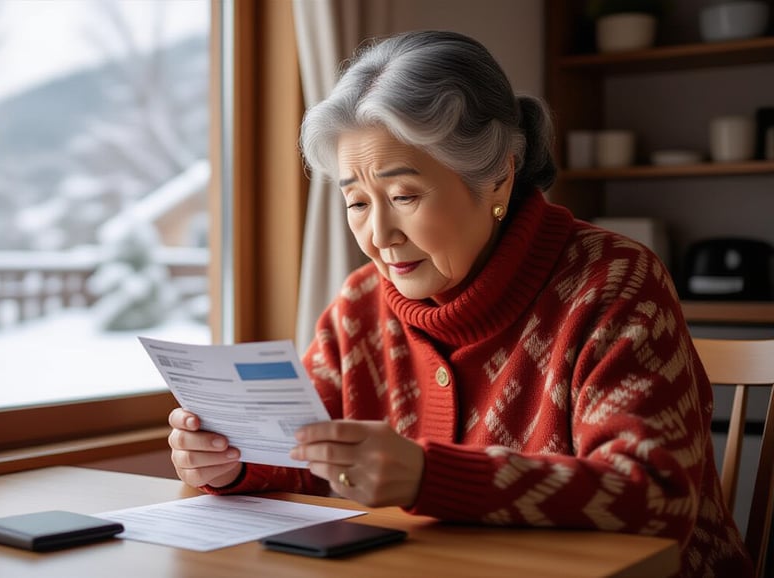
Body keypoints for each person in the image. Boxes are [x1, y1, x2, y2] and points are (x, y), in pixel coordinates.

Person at [167, 30, 751, 576]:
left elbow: (654, 496)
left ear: (497, 176)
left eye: (403, 195)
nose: (380, 235)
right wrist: (232, 461)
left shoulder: (613, 284)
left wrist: (428, 475)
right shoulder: (360, 306)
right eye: (357, 203)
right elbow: (306, 447)